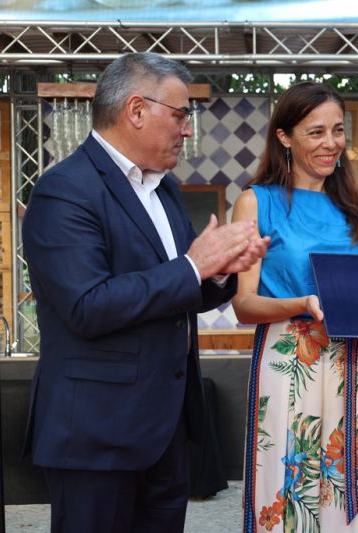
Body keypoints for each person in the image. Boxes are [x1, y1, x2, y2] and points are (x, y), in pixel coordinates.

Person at [21, 52, 268, 533]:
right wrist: (194, 265)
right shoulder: (63, 191)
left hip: (165, 430)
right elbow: (87, 306)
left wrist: (220, 274)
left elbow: (180, 289)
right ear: (136, 110)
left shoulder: (165, 189)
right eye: (180, 115)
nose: (187, 130)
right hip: (96, 435)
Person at [232, 81, 358, 532]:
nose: (330, 143)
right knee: (289, 482)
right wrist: (299, 303)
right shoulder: (255, 202)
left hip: (349, 359)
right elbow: (243, 304)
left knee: (344, 480)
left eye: (337, 130)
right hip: (288, 359)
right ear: (284, 137)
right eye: (315, 132)